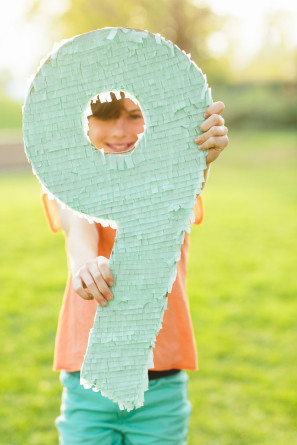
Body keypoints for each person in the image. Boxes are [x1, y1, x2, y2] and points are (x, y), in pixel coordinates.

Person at [42, 92, 228, 444]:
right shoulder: (68, 179)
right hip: (89, 377)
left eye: (134, 115)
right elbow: (76, 224)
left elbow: (180, 193)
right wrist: (84, 265)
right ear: (83, 123)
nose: (120, 130)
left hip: (160, 379)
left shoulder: (169, 181)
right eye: (105, 116)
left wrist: (202, 160)